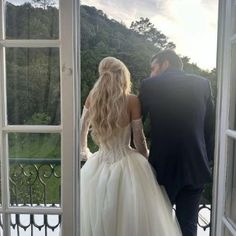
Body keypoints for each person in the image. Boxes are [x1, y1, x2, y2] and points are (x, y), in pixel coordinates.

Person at [80, 56, 181, 236]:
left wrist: (84, 151)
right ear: (123, 76)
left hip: (99, 161)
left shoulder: (92, 98)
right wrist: (145, 158)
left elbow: (81, 127)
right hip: (127, 161)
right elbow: (139, 138)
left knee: (95, 214)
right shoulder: (132, 100)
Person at [139, 49, 215, 236]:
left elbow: (135, 122)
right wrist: (207, 158)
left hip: (162, 169)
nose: (152, 73)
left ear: (165, 64)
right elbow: (211, 127)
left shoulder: (149, 85)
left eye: (154, 68)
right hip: (195, 167)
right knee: (188, 226)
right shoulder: (203, 84)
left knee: (158, 225)